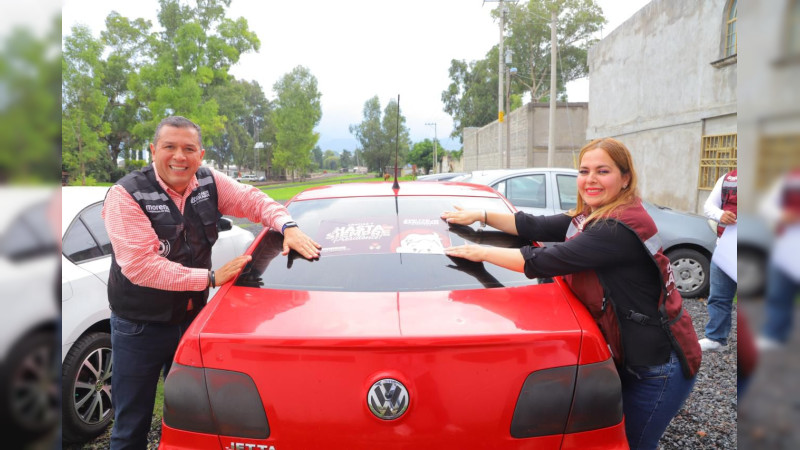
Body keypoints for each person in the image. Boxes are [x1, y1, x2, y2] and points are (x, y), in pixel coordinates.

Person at [441, 138, 700, 450]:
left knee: (632, 444)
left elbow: (541, 261)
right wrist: (480, 215)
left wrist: (478, 251)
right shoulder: (593, 214)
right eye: (584, 170)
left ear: (625, 177)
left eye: (602, 171)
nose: (590, 179)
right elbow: (533, 226)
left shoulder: (615, 228)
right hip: (635, 355)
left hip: (659, 366)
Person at [102, 116, 321, 450]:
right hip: (140, 327)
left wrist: (287, 225)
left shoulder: (208, 183)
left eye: (189, 149)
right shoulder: (126, 195)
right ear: (152, 150)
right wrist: (210, 278)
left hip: (192, 319)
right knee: (131, 425)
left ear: (200, 155)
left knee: (193, 418)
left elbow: (252, 201)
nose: (180, 156)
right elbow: (140, 267)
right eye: (170, 147)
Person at [756, 168, 800, 350]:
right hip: (786, 246)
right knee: (779, 295)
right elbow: (766, 205)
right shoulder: (791, 179)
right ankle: (774, 333)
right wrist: (781, 215)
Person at [698, 170, 737, 352]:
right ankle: (716, 338)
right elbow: (708, 206)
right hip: (726, 247)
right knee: (719, 296)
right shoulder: (728, 179)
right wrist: (720, 214)